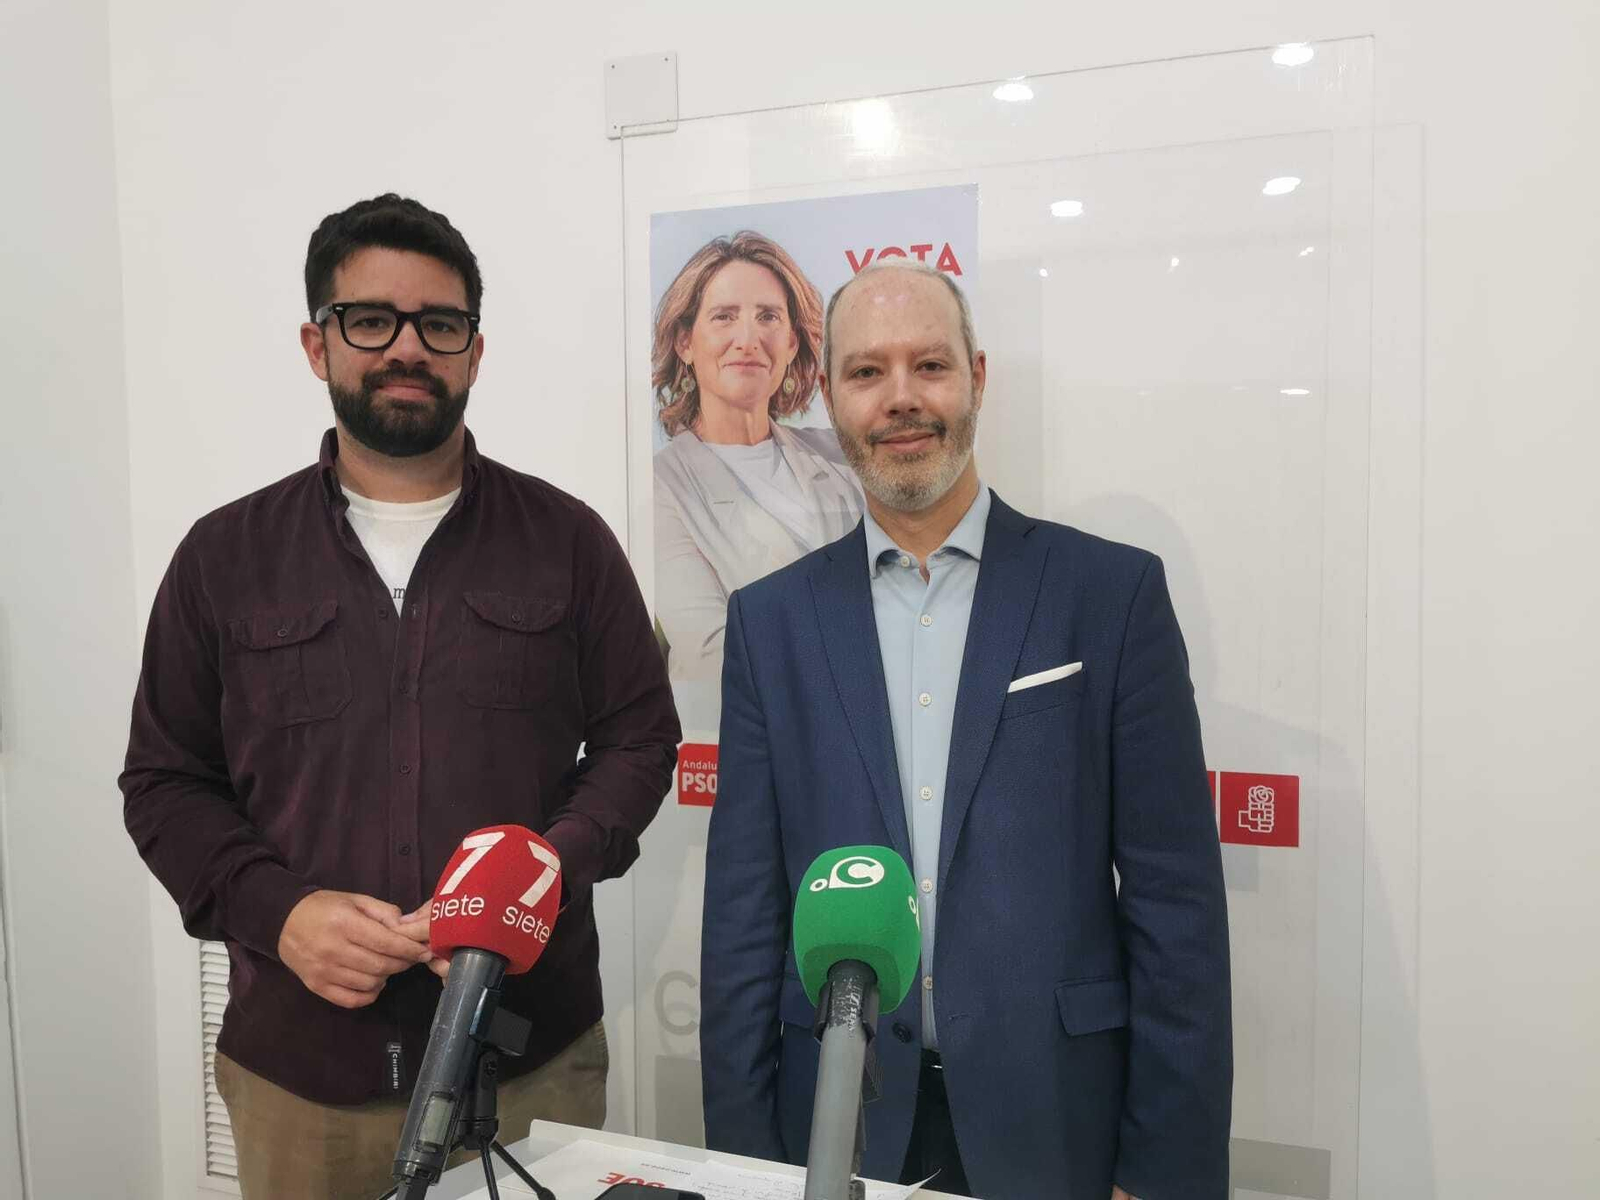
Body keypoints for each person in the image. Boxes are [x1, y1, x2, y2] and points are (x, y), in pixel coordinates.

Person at [121, 194, 681, 1200]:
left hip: (526, 1067)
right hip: (300, 1080)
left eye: (440, 324)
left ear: (472, 349)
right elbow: (165, 781)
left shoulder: (570, 542)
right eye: (370, 320)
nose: (406, 348)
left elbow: (641, 743)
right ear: (317, 342)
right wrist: (279, 912)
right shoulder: (222, 558)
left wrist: (552, 864)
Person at [699, 261, 1231, 1199]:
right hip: (836, 1121)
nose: (901, 399)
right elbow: (743, 914)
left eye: (930, 366)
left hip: (1061, 1124)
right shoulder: (771, 623)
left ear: (977, 379)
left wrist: (1163, 1171)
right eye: (866, 373)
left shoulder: (1109, 598)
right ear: (828, 396)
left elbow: (1176, 912)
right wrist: (742, 1164)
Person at [651, 231, 862, 729]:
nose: (748, 339)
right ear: (685, 341)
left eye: (768, 316)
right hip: (741, 749)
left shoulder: (842, 456)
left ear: (791, 342)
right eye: (724, 316)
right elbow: (712, 655)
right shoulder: (658, 487)